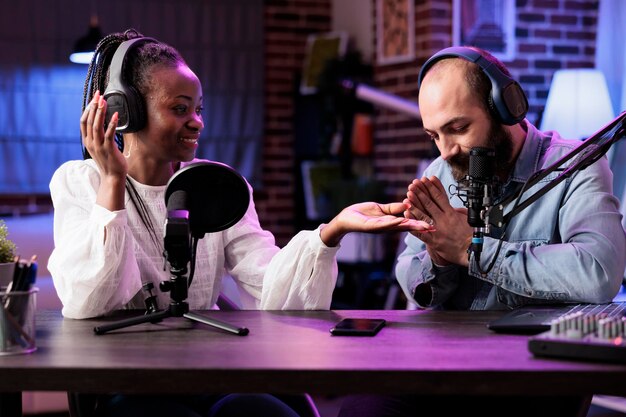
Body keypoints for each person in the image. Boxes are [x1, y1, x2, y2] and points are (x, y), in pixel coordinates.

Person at [47, 29, 434, 417]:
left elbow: (275, 293)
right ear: (125, 110)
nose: (197, 122)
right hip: (130, 382)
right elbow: (89, 301)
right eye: (180, 109)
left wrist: (331, 232)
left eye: (199, 109)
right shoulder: (80, 182)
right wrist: (113, 181)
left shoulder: (217, 185)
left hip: (212, 372)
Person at [338, 46, 626, 417]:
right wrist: (438, 262)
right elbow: (407, 267)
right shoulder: (441, 171)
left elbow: (600, 270)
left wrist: (471, 251)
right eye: (434, 135)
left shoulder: (577, 167)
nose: (446, 151)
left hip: (529, 372)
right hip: (443, 363)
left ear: (505, 107)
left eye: (457, 128)